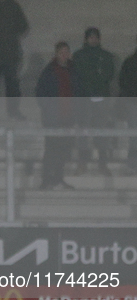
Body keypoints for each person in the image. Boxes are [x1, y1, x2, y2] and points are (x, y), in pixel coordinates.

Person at [36, 41, 83, 190]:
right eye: (62, 52)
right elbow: (41, 93)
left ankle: (58, 178)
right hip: (53, 118)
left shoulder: (73, 71)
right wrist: (49, 109)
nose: (64, 55)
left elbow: (78, 92)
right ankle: (46, 179)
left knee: (63, 149)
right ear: (56, 54)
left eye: (66, 52)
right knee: (51, 149)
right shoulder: (49, 71)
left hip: (68, 117)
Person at [72, 27, 115, 175]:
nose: (93, 39)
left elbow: (108, 76)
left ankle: (102, 164)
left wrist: (96, 85)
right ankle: (82, 163)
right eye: (91, 37)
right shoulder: (78, 56)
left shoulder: (106, 56)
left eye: (96, 37)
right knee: (83, 132)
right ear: (86, 39)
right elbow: (79, 76)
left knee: (101, 132)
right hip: (83, 100)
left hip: (100, 99)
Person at [119, 35, 137, 174]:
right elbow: (123, 83)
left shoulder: (129, 61)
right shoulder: (130, 62)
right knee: (134, 134)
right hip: (133, 102)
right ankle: (133, 162)